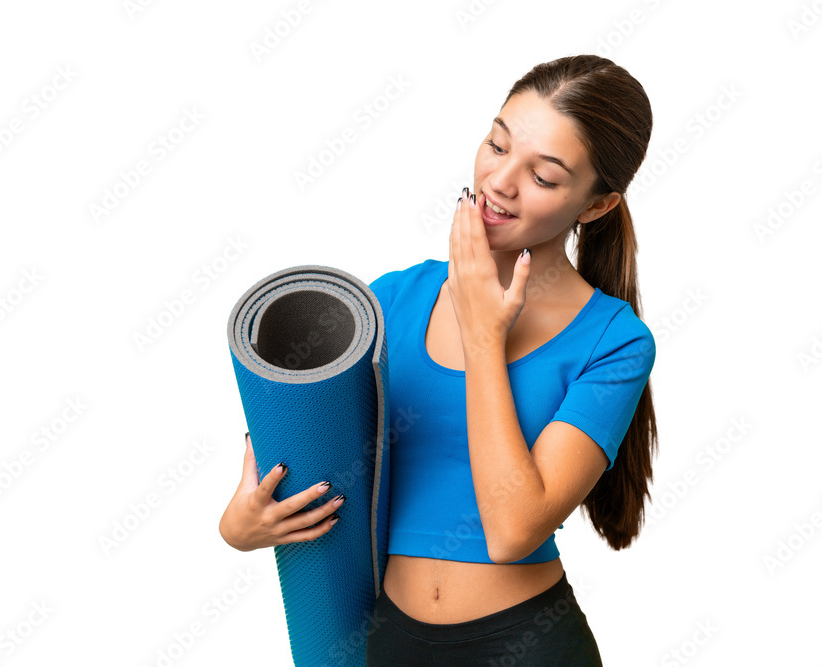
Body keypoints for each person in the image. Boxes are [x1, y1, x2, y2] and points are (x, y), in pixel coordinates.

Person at [219, 54, 658, 666]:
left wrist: (485, 338)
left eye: (545, 176)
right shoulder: (390, 302)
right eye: (497, 145)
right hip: (390, 642)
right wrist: (242, 527)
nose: (501, 182)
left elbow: (513, 529)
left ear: (595, 206)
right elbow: (303, 463)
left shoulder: (614, 342)